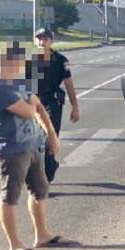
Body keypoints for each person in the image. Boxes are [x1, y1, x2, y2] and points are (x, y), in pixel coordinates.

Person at [0, 42, 62, 250]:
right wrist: (32, 102)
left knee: (40, 190)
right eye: (20, 63)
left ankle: (42, 234)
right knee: (10, 196)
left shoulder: (15, 80)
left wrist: (51, 135)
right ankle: (14, 245)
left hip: (32, 145)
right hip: (11, 150)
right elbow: (28, 110)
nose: (23, 68)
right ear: (6, 62)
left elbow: (39, 106)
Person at [33, 28, 79, 182]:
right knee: (32, 144)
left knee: (48, 140)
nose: (41, 42)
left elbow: (68, 84)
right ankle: (50, 165)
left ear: (51, 41)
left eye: (45, 39)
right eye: (38, 38)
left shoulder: (60, 60)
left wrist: (75, 106)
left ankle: (45, 179)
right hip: (32, 103)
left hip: (51, 103)